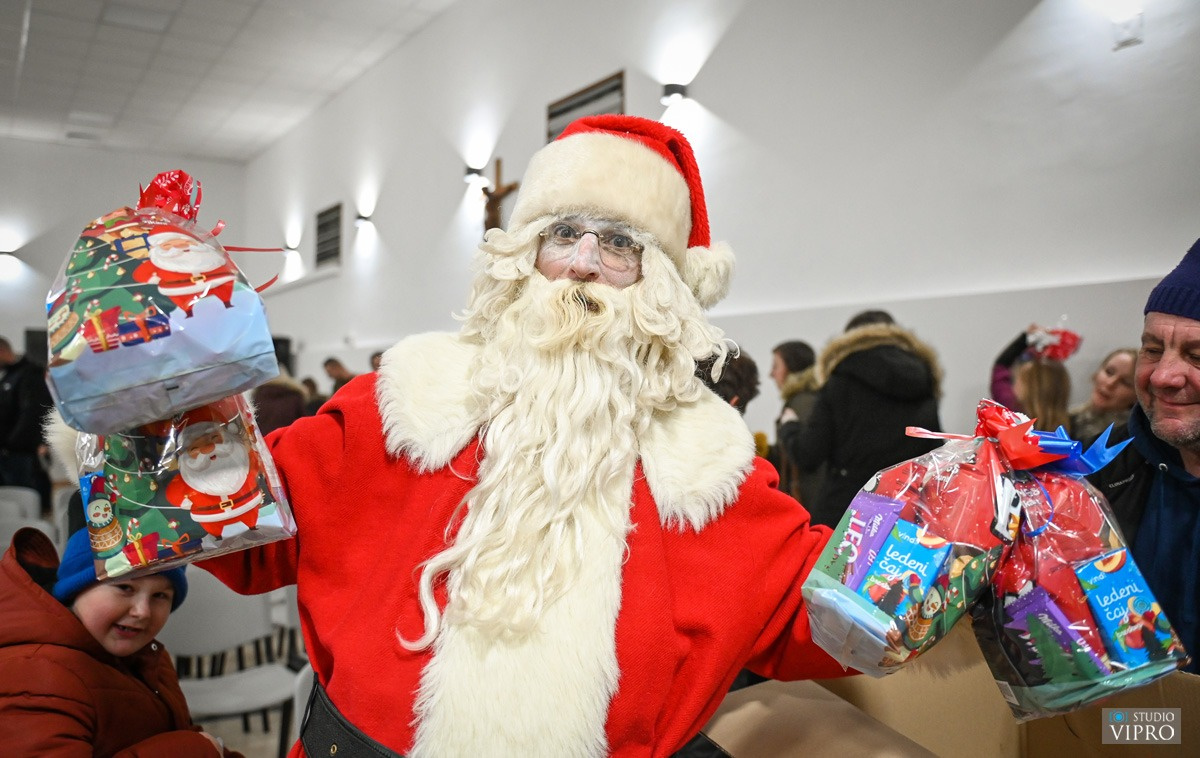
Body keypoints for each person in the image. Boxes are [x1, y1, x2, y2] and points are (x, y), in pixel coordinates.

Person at [190, 115, 859, 755]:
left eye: (620, 243)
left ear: (660, 281)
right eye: (563, 232)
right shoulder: (407, 402)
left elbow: (818, 607)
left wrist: (922, 530)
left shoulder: (703, 463)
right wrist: (158, 399)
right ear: (526, 253)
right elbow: (240, 518)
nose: (582, 263)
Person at [0, 527, 235, 755]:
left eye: (160, 595)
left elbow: (177, 730)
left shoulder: (146, 654)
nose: (143, 611)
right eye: (125, 587)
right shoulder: (36, 677)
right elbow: (193, 744)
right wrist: (196, 750)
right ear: (75, 588)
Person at [1087, 238, 1200, 675]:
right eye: (1152, 349)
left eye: (1196, 356)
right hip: (1133, 712)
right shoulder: (1105, 467)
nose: (1163, 376)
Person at [777, 310, 943, 528]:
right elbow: (934, 452)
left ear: (849, 340)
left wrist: (789, 427)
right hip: (909, 513)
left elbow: (808, 454)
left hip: (848, 511)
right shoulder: (922, 379)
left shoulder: (840, 380)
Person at [765, 340, 822, 505]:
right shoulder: (805, 400)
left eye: (776, 366)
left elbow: (805, 454)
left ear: (791, 368)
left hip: (808, 500)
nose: (771, 374)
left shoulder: (803, 403)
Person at [0, 336, 54, 510]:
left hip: (20, 453)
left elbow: (32, 414)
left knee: (24, 501)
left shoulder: (30, 374)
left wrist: (11, 444)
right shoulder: (9, 376)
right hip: (9, 452)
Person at [991, 327, 1072, 431]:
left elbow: (1001, 367)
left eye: (1019, 380)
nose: (1015, 384)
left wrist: (1025, 338)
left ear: (1030, 389)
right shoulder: (1070, 427)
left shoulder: (1011, 413)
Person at [1069, 347, 1137, 441]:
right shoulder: (1065, 420)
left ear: (1137, 396)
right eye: (1109, 372)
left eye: (1125, 382)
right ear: (1096, 374)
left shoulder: (1133, 438)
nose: (1110, 383)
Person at [250, 365, 308, 435]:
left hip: (265, 439)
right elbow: (303, 422)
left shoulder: (258, 396)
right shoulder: (294, 396)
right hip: (288, 438)